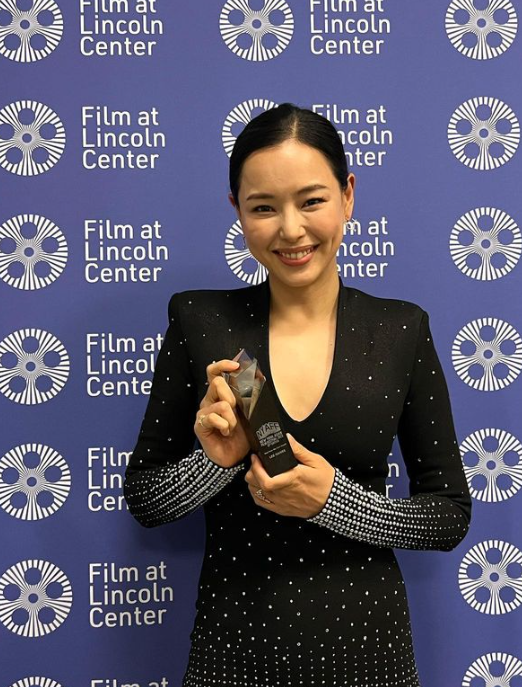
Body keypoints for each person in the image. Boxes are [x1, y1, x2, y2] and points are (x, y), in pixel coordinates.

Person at [123, 103, 472, 687]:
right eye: (263, 207)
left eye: (311, 201)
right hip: (230, 658)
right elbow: (146, 502)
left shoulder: (401, 329)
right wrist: (213, 465)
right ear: (238, 211)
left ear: (348, 196)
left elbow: (448, 517)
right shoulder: (202, 322)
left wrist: (335, 503)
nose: (290, 230)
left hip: (372, 659)